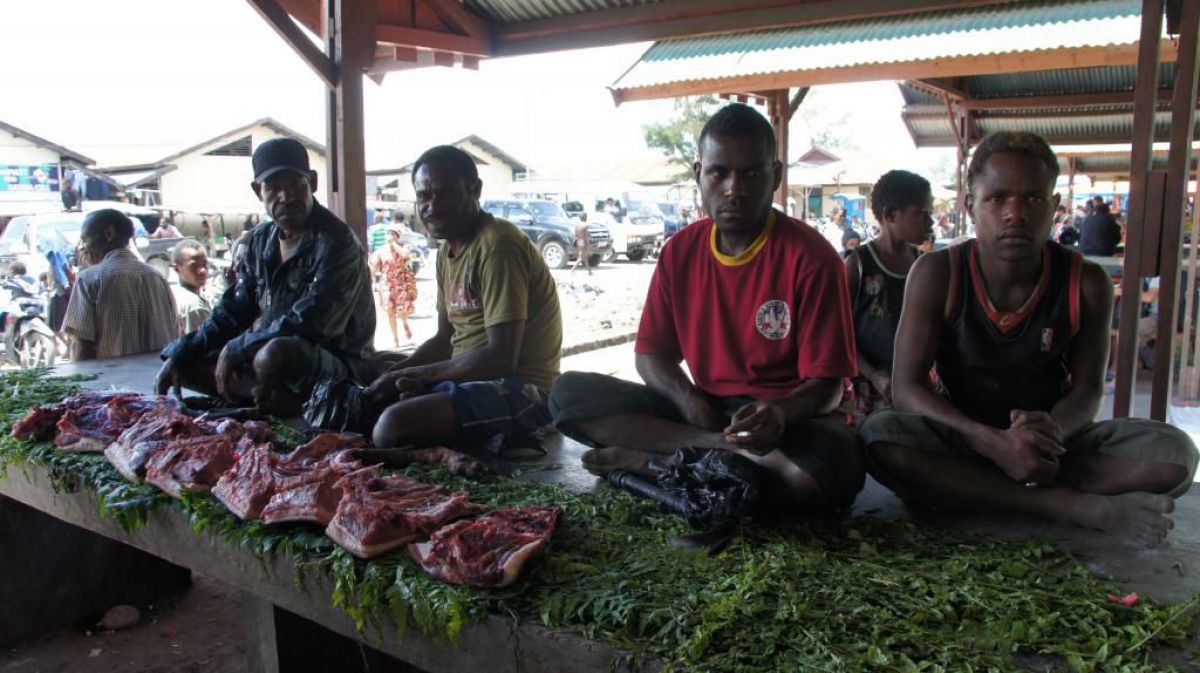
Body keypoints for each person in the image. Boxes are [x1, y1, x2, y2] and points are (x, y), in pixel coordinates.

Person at [859, 131, 1197, 548]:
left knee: (1175, 455)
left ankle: (979, 490)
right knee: (878, 436)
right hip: (961, 438)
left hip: (1050, 447)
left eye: (1033, 199)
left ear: (1054, 207)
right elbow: (907, 387)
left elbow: (1088, 389)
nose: (1014, 214)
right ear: (970, 205)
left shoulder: (1085, 282)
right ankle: (1066, 505)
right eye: (997, 198)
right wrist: (989, 441)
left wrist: (1048, 435)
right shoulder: (938, 273)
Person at [548, 103, 864, 514]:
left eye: (752, 173)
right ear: (699, 174)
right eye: (719, 173)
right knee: (567, 394)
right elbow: (651, 355)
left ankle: (657, 463)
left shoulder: (813, 258)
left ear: (775, 176)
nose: (735, 188)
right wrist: (690, 401)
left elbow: (828, 386)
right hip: (702, 414)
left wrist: (780, 412)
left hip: (782, 426)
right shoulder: (679, 252)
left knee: (831, 472)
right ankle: (717, 460)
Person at [154, 137, 376, 415]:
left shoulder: (337, 241)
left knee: (273, 354)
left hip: (338, 363)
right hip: (270, 355)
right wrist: (182, 350)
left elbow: (314, 323)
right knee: (186, 361)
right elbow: (233, 310)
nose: (286, 196)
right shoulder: (261, 240)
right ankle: (268, 397)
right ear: (258, 191)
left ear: (313, 183)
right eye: (273, 188)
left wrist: (240, 347)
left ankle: (283, 401)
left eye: (296, 184)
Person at [367, 145, 563, 452]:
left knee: (392, 426)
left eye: (445, 193)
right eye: (424, 196)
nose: (432, 206)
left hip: (525, 393)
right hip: (472, 380)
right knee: (376, 372)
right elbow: (444, 340)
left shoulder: (498, 245)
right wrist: (395, 375)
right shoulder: (447, 251)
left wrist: (414, 374)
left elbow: (501, 358)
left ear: (475, 190)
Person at [845, 169, 933, 420]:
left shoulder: (924, 265)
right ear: (890, 215)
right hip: (868, 388)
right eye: (922, 214)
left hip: (914, 387)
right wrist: (874, 375)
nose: (930, 222)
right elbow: (840, 334)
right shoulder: (858, 264)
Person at [62, 209, 177, 361]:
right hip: (156, 374)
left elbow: (82, 347)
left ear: (109, 234)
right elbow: (174, 335)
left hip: (112, 376)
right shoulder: (158, 278)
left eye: (85, 239)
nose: (82, 248)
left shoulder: (89, 279)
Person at [369, 223, 418, 347]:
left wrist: (393, 244)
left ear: (397, 236)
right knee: (390, 312)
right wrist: (370, 277)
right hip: (386, 285)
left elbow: (405, 256)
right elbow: (374, 267)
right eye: (388, 233)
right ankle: (396, 339)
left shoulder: (402, 247)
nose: (389, 236)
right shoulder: (381, 250)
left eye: (392, 234)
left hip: (400, 284)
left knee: (402, 309)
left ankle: (405, 324)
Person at [169, 239, 212, 335]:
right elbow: (205, 342)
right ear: (176, 268)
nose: (202, 270)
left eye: (205, 264)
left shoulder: (174, 293)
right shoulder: (194, 306)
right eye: (194, 266)